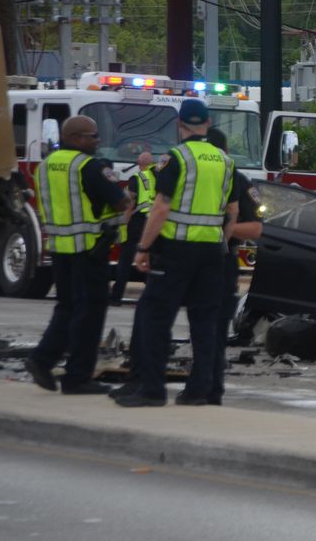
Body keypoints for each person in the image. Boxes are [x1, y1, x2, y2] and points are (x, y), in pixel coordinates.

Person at [115, 99, 238, 408]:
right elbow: (229, 211)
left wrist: (143, 247)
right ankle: (198, 390)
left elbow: (161, 207)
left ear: (180, 126)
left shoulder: (175, 159)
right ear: (208, 125)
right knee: (204, 322)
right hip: (212, 251)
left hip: (177, 250)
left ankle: (152, 389)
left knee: (156, 317)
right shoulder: (226, 161)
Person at [25, 115, 130, 394]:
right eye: (93, 136)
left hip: (61, 248)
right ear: (75, 138)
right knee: (90, 313)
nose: (97, 141)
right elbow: (120, 201)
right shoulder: (88, 166)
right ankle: (77, 378)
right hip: (89, 249)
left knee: (67, 307)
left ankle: (42, 359)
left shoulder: (45, 166)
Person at [205, 126, 263, 405]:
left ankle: (209, 388)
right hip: (192, 261)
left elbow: (256, 228)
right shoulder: (184, 173)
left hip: (221, 261)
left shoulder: (238, 181)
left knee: (213, 329)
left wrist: (224, 229)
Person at [109, 150, 156, 305]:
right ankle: (150, 298)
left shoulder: (137, 178)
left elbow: (130, 205)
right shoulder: (160, 177)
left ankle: (116, 297)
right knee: (152, 260)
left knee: (125, 260)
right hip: (155, 223)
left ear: (139, 163)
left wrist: (124, 223)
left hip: (138, 222)